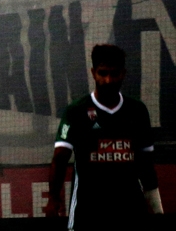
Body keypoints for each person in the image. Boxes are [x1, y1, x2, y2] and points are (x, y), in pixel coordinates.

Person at [43, 44, 163, 228]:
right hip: (88, 211)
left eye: (114, 74)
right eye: (103, 73)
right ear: (93, 73)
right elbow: (60, 158)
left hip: (130, 210)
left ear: (123, 73)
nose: (108, 80)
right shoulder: (76, 111)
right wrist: (53, 199)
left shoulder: (137, 110)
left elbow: (146, 166)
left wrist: (158, 211)